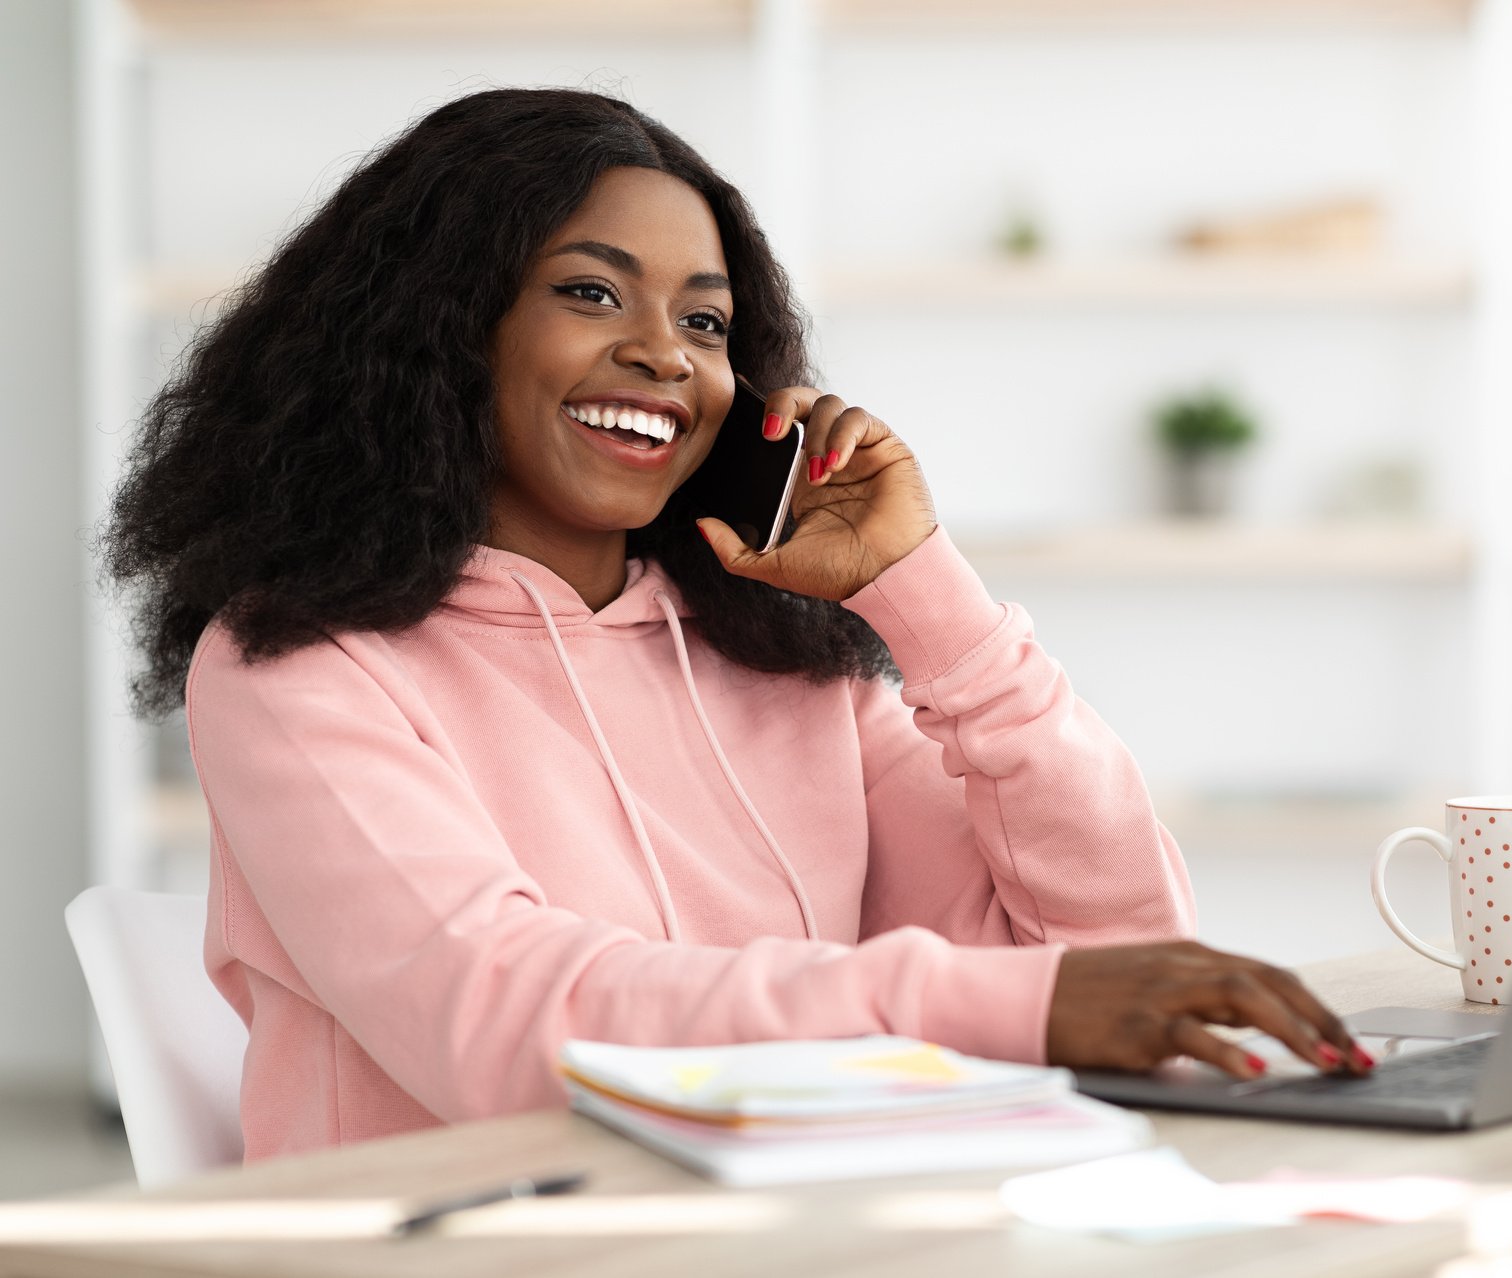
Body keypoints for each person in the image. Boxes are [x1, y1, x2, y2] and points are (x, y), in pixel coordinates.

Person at [101, 87, 1370, 1162]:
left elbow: (1114, 955)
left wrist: (921, 595)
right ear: (437, 333)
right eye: (593, 294)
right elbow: (504, 1020)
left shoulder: (776, 661)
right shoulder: (299, 665)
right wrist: (994, 1005)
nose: (667, 356)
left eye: (704, 321)